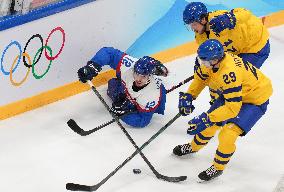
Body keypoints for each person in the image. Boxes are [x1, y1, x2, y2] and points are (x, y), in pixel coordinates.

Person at [173, 39, 272, 182]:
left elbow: (232, 109)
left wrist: (207, 118)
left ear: (216, 60)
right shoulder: (211, 60)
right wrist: (190, 95)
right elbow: (201, 78)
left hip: (255, 99)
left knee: (228, 133)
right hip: (234, 94)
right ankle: (193, 146)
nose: (203, 64)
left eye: (206, 62)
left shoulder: (229, 73)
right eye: (202, 60)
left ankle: (218, 168)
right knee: (210, 123)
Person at [77, 47, 169, 128]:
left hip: (145, 100)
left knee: (124, 103)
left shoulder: (151, 95)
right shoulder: (130, 65)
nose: (139, 79)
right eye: (137, 74)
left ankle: (131, 105)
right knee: (112, 87)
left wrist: (124, 114)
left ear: (150, 76)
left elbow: (143, 121)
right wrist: (93, 66)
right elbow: (108, 52)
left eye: (144, 76)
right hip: (128, 87)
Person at [183, 2, 270, 69]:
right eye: (190, 25)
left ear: (202, 19)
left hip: (256, 47)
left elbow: (246, 13)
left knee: (240, 79)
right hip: (238, 50)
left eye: (194, 24)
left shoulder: (219, 17)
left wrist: (230, 18)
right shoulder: (200, 37)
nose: (192, 28)